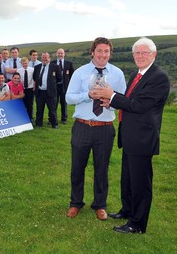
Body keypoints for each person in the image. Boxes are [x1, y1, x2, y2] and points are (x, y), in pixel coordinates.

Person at [93, 37, 170, 233]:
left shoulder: (158, 77)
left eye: (144, 52)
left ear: (153, 54)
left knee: (140, 183)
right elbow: (130, 101)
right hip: (130, 136)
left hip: (142, 138)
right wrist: (113, 102)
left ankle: (137, 224)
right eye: (137, 53)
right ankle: (127, 210)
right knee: (128, 178)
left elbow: (139, 105)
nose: (140, 56)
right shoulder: (138, 74)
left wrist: (111, 95)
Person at [65, 37, 126, 220]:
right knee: (77, 168)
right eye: (99, 51)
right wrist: (87, 95)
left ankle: (100, 205)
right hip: (83, 126)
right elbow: (69, 98)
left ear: (110, 53)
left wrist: (110, 102)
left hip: (105, 128)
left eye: (106, 51)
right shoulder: (81, 73)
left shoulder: (117, 74)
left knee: (102, 168)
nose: (102, 55)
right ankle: (75, 203)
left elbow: (122, 101)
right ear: (92, 52)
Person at [33, 52, 62, 129]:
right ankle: (38, 124)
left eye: (46, 57)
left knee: (52, 110)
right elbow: (34, 78)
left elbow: (59, 78)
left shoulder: (55, 67)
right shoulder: (37, 67)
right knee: (39, 109)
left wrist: (52, 84)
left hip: (50, 92)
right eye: (43, 57)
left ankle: (54, 124)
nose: (44, 59)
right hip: (40, 92)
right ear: (41, 58)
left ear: (49, 58)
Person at [51, 48, 75, 124]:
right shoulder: (52, 63)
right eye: (59, 53)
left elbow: (72, 76)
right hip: (55, 86)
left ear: (64, 54)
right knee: (53, 103)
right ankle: (52, 119)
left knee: (63, 103)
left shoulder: (69, 63)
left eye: (61, 53)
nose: (60, 55)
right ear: (56, 54)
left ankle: (64, 119)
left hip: (64, 87)